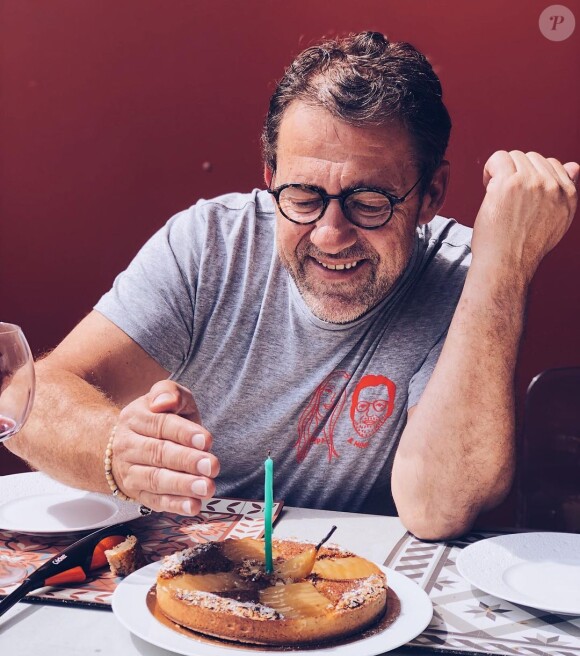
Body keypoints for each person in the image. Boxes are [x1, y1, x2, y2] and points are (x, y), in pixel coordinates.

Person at [7, 31, 577, 540]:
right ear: (269, 177)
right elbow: (25, 398)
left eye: (369, 201)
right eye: (302, 197)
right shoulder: (210, 243)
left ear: (431, 195)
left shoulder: (466, 276)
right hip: (187, 569)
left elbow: (438, 508)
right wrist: (119, 452)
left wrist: (504, 268)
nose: (330, 236)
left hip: (350, 585)